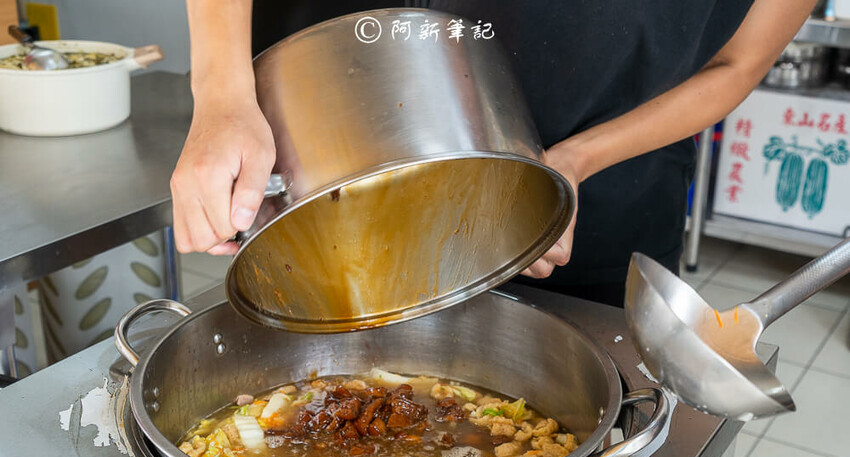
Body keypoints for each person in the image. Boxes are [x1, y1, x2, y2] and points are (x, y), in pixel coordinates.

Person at [170, 0, 815, 307]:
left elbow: (737, 63)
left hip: (593, 202)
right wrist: (222, 94)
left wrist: (574, 162)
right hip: (331, 154)